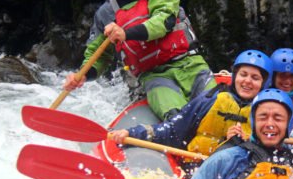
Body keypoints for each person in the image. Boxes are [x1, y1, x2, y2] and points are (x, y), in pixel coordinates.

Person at [63, 0, 216, 120]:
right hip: (154, 76)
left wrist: (126, 34)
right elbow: (98, 56)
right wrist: (83, 75)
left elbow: (164, 21)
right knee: (177, 118)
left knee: (215, 109)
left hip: (189, 64)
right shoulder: (106, 13)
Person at [109, 49, 273, 162]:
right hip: (199, 168)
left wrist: (244, 142)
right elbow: (172, 131)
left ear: (264, 83)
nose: (247, 81)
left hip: (240, 178)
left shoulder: (270, 113)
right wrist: (132, 133)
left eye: (255, 78)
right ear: (235, 76)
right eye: (243, 75)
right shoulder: (211, 99)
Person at [185, 88, 293, 179]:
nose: (270, 124)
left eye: (278, 118)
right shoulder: (227, 158)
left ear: (289, 123)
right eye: (263, 117)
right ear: (253, 122)